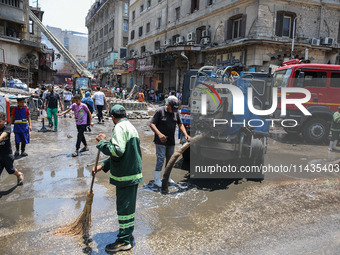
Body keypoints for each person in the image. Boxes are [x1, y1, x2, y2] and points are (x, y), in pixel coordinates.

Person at [92, 105, 142, 253]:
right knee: (128, 208)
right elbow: (124, 152)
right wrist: (103, 166)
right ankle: (128, 234)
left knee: (124, 209)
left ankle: (124, 240)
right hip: (131, 173)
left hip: (126, 175)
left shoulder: (119, 128)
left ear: (112, 117)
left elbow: (117, 151)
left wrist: (102, 143)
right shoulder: (130, 126)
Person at [149, 96, 190, 187]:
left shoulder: (176, 113)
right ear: (168, 105)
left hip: (171, 141)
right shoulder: (160, 111)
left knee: (170, 160)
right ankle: (157, 179)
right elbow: (152, 124)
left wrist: (186, 134)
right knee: (160, 159)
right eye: (172, 108)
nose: (173, 111)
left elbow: (180, 124)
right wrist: (159, 134)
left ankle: (168, 177)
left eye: (175, 109)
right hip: (161, 140)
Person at [0, 112, 24, 185]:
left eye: (0, 121)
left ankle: (19, 175)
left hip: (7, 155)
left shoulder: (7, 127)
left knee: (11, 170)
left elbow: (3, 135)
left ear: (4, 121)